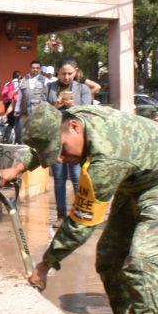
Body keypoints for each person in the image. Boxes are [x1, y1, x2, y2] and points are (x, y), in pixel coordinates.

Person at [0, 104, 158, 314]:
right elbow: (44, 142)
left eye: (61, 150)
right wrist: (17, 168)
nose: (60, 159)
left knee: (142, 260)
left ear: (75, 128)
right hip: (137, 178)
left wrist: (45, 265)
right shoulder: (72, 118)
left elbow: (81, 222)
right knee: (108, 257)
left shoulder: (107, 160)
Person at [46, 59, 94, 226]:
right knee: (59, 178)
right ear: (57, 72)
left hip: (76, 141)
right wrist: (55, 105)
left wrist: (75, 106)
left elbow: (89, 113)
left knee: (76, 177)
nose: (66, 77)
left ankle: (78, 216)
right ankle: (60, 216)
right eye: (63, 73)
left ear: (76, 71)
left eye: (70, 73)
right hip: (57, 139)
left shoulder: (83, 89)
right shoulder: (50, 87)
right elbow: (43, 113)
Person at [14, 60, 49, 144]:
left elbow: (47, 97)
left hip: (38, 111)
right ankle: (24, 150)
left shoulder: (45, 80)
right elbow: (20, 96)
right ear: (30, 68)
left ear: (40, 69)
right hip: (25, 110)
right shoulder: (23, 79)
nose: (35, 69)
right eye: (33, 68)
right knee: (24, 131)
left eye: (37, 68)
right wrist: (17, 109)